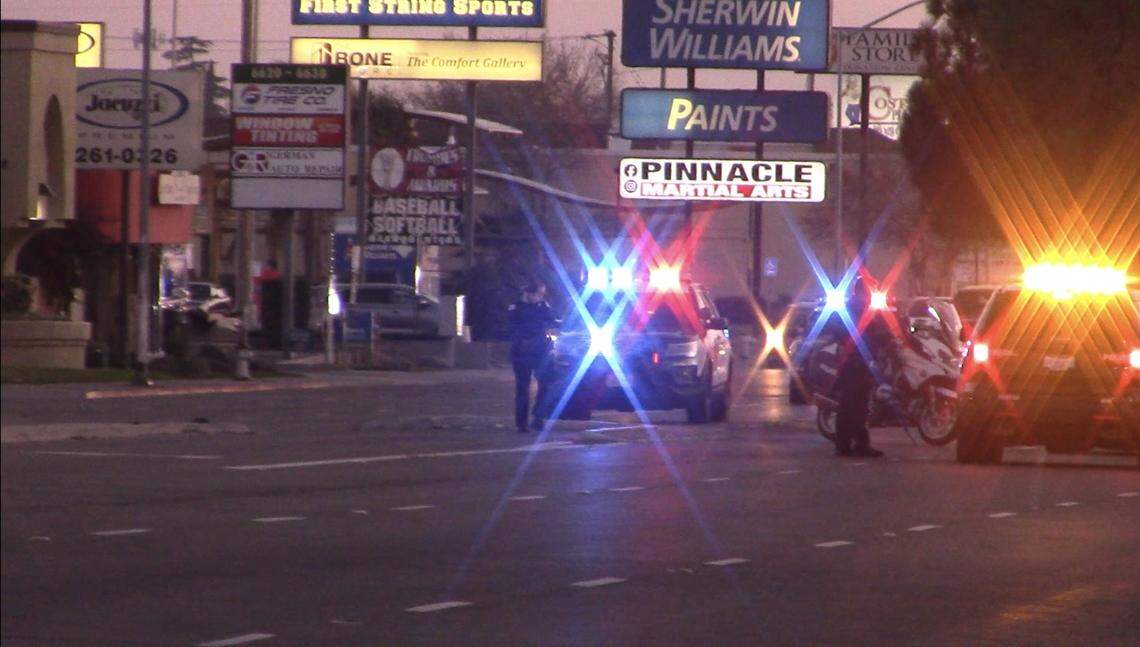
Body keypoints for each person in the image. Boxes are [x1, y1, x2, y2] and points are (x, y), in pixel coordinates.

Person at [830, 276, 893, 458]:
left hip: (859, 362)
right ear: (861, 292)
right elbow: (863, 335)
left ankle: (856, 443)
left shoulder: (861, 309)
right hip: (853, 364)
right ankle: (846, 444)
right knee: (852, 405)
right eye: (868, 291)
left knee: (859, 405)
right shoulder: (854, 309)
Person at [508, 281, 558, 433]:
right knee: (523, 388)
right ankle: (521, 423)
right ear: (530, 294)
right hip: (522, 352)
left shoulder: (543, 306)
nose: (541, 297)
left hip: (541, 352)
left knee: (545, 384)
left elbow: (551, 321)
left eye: (542, 294)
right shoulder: (516, 307)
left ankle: (538, 417)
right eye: (539, 294)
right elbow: (514, 326)